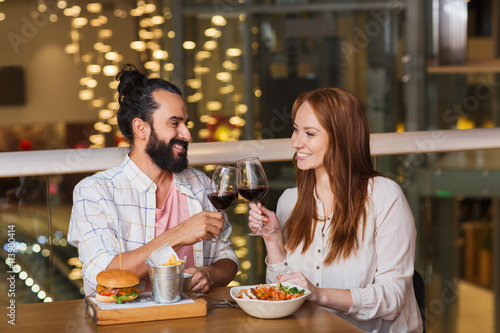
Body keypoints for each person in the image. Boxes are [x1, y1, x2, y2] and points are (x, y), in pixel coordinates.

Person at [248, 88, 423, 332]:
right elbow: (283, 294)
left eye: (309, 133)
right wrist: (273, 241)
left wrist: (318, 294)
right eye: (296, 129)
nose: (296, 141)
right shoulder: (290, 201)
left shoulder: (385, 196)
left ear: (342, 138)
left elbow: (392, 300)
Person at [68, 64, 238, 296]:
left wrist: (211, 273)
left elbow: (227, 258)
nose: (186, 134)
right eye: (174, 123)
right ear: (141, 128)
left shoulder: (202, 185)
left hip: (195, 318)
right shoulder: (94, 192)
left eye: (185, 124)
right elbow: (103, 275)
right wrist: (178, 235)